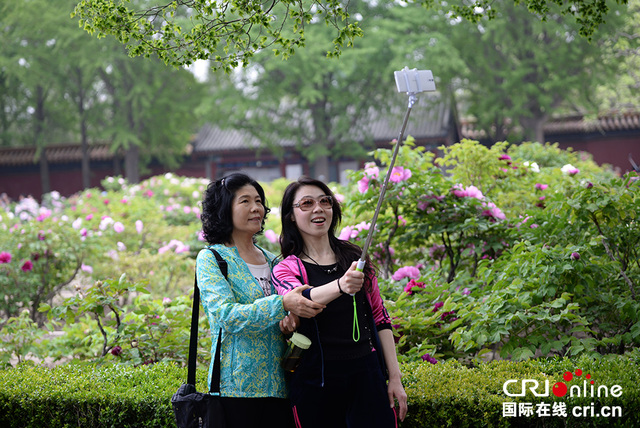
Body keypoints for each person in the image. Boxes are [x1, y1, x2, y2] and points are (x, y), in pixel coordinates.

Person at [272, 176, 408, 428]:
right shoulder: (286, 267)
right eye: (307, 203)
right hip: (316, 382)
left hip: (367, 376)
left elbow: (380, 318)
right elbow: (299, 301)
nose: (318, 209)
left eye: (325, 201)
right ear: (291, 215)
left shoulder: (355, 257)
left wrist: (395, 378)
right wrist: (340, 286)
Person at [196, 173, 325, 428]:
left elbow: (284, 314)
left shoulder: (274, 260)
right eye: (245, 201)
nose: (256, 208)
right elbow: (227, 316)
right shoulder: (212, 258)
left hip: (279, 386)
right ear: (224, 209)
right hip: (235, 390)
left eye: (258, 201)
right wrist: (282, 305)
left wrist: (291, 323)